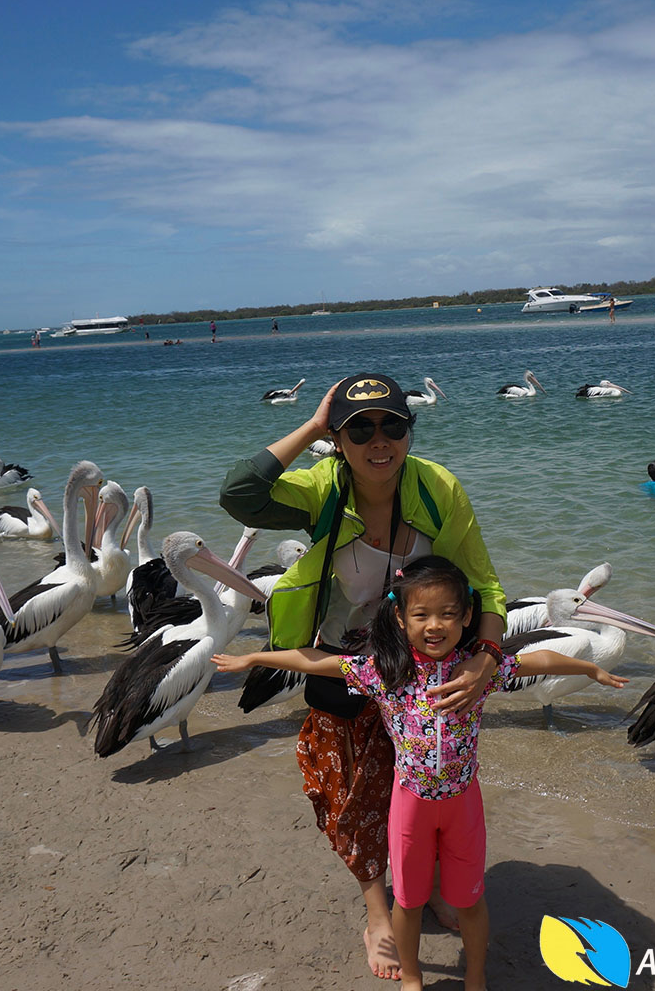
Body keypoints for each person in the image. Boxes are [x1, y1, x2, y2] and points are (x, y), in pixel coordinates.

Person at [212, 557, 627, 991]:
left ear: (467, 616)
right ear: (399, 616)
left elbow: (537, 660)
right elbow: (318, 661)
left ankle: (475, 978)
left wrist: (590, 669)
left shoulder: (475, 674)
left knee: (470, 901)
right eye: (422, 615)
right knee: (407, 903)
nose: (435, 625)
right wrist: (254, 656)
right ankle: (412, 980)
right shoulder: (385, 672)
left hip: (464, 805)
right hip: (410, 807)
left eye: (448, 614)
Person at [219, 373, 511, 981]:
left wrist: (485, 654)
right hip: (345, 656)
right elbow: (240, 494)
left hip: (419, 663)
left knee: (423, 784)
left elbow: (482, 583)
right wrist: (311, 428)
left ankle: (429, 890)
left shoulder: (437, 488)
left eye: (392, 426)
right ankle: (378, 911)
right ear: (340, 437)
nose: (379, 442)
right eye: (360, 430)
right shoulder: (322, 486)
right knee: (353, 792)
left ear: (409, 429)